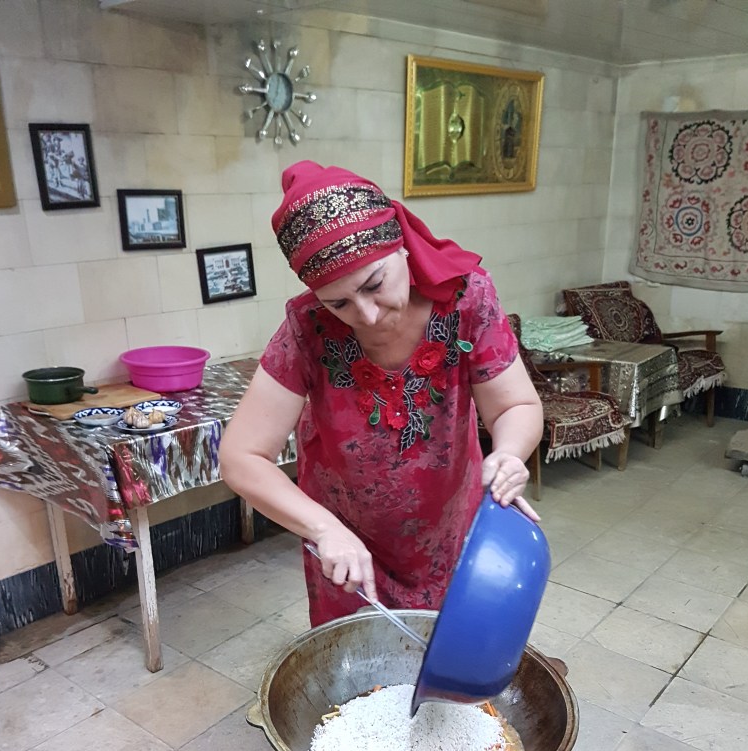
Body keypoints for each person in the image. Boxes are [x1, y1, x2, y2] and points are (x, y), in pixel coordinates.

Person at [220, 161, 543, 627]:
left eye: (374, 285)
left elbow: (516, 404)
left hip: (451, 531)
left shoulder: (466, 299)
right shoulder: (308, 327)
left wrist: (509, 454)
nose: (367, 315)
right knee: (358, 660)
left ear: (402, 246)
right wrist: (323, 528)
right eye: (339, 303)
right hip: (348, 549)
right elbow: (241, 456)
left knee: (451, 650)